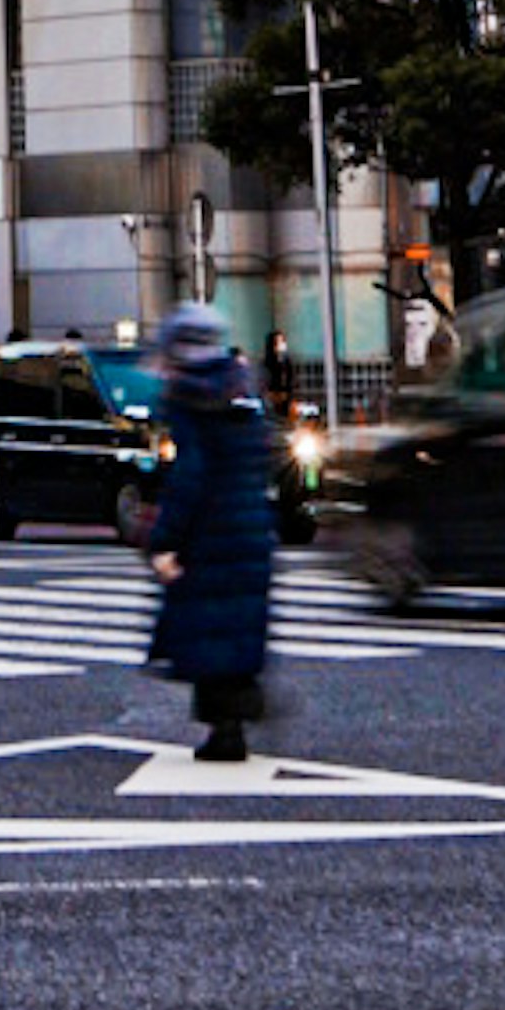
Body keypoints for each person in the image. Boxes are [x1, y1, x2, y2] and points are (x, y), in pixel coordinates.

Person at [137, 302, 278, 767]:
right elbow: (265, 455)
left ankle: (228, 724)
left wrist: (164, 538)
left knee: (205, 625)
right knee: (232, 624)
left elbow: (190, 475)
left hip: (210, 530)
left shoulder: (189, 396)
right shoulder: (242, 388)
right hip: (250, 525)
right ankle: (235, 716)